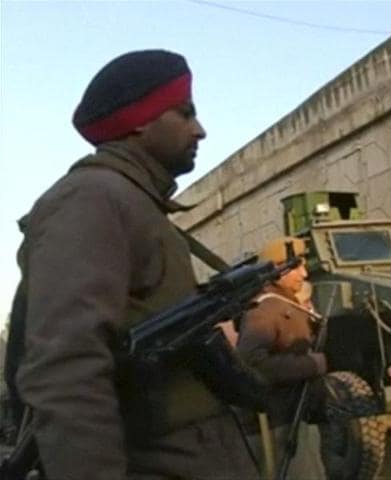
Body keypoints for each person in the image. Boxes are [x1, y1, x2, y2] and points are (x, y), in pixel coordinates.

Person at [6, 49, 257, 480]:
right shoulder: (91, 200)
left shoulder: (133, 204)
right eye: (185, 113)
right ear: (141, 119)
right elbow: (66, 374)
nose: (200, 130)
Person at [237, 237, 327, 479]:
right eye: (297, 267)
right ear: (278, 270)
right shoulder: (264, 310)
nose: (305, 273)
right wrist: (312, 364)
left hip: (295, 416)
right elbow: (251, 364)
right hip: (279, 425)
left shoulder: (286, 304)